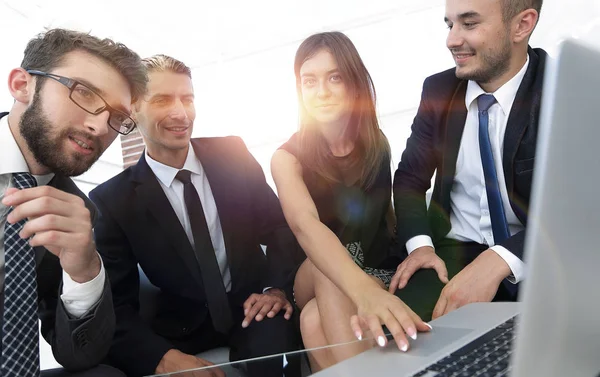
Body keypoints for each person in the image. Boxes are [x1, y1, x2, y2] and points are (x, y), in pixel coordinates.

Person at [89, 54, 303, 377]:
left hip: (255, 310)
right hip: (179, 332)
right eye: (162, 99)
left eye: (187, 99)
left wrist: (275, 289)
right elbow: (116, 306)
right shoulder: (112, 201)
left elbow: (279, 229)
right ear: (133, 109)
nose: (180, 112)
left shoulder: (233, 154)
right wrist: (163, 357)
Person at [271, 31, 430, 372]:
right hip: (313, 276)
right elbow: (305, 226)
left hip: (376, 268)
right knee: (324, 262)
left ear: (354, 82)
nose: (322, 92)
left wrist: (374, 284)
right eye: (309, 81)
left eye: (335, 77)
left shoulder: (376, 147)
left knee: (314, 322)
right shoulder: (286, 158)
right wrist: (364, 291)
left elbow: (381, 224)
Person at [0, 28, 147, 377]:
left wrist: (84, 271)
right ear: (22, 86)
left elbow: (79, 356)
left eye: (117, 117)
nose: (100, 126)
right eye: (83, 92)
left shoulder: (77, 211)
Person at [390, 0, 547, 321]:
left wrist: (501, 258)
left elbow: (586, 204)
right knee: (401, 332)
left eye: (469, 24)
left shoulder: (567, 89)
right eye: (450, 25)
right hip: (454, 250)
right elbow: (409, 179)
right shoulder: (437, 90)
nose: (451, 40)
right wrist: (421, 247)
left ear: (522, 25)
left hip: (540, 250)